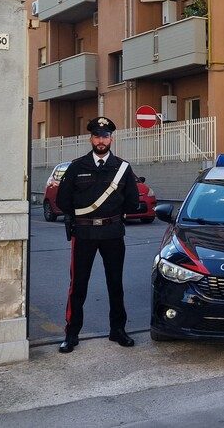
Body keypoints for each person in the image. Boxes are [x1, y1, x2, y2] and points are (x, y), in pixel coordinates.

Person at [55, 116, 141, 352]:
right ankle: (71, 334)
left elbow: (133, 202)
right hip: (84, 234)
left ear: (111, 138)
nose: (101, 140)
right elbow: (63, 200)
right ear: (90, 138)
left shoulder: (122, 168)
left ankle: (118, 330)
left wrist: (114, 214)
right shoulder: (77, 166)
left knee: (115, 284)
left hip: (112, 234)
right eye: (96, 136)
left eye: (105, 136)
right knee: (78, 286)